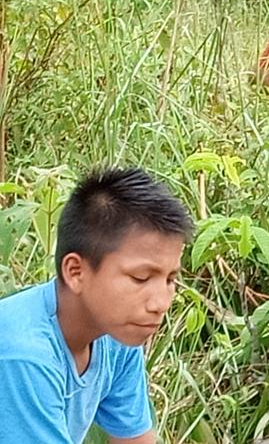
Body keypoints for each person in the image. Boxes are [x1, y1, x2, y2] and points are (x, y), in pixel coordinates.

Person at [0, 168, 195, 443]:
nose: (161, 303)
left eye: (171, 279)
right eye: (140, 278)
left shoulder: (116, 336)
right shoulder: (24, 355)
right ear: (76, 272)